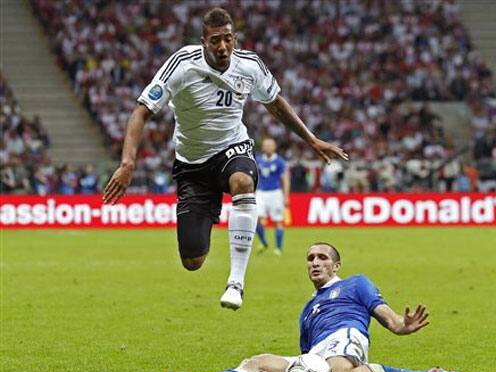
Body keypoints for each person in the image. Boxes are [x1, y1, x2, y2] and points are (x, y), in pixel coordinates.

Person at [102, 8, 348, 310]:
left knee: (243, 182)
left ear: (235, 39)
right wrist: (128, 162)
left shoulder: (250, 65)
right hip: (192, 164)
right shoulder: (181, 65)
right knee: (193, 260)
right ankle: (214, 215)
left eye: (228, 39)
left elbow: (275, 104)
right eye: (215, 40)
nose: (222, 47)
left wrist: (310, 139)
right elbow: (141, 111)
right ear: (204, 41)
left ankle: (236, 282)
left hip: (234, 148)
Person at [162, 243, 477, 372]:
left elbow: (391, 321)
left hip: (346, 337)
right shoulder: (307, 310)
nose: (314, 263)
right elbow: (304, 355)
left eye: (322, 258)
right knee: (257, 362)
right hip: (314, 355)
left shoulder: (356, 283)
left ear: (336, 265)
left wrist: (401, 325)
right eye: (310, 258)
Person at [255, 137, 289, 256]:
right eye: (266, 145)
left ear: (274, 147)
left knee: (278, 221)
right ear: (263, 147)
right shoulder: (258, 160)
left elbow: (285, 179)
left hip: (275, 193)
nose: (268, 147)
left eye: (270, 145)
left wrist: (286, 196)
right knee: (256, 219)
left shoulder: (280, 162)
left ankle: (278, 248)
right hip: (260, 193)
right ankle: (264, 242)